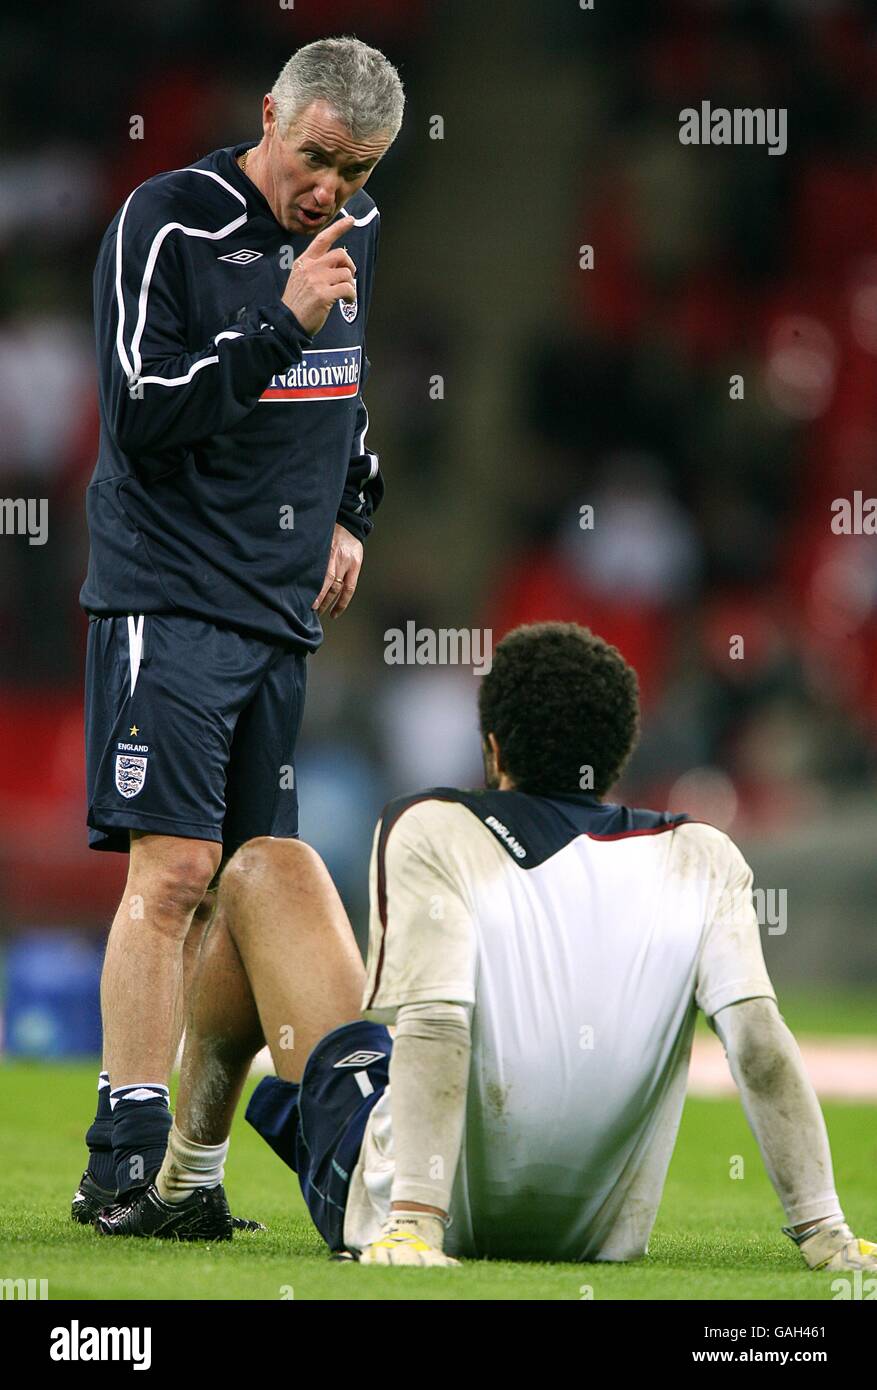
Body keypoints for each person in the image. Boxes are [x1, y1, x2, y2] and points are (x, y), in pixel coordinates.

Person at [97, 623, 877, 1272]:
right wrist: (824, 1231)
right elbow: (761, 1048)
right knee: (348, 1009)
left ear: (492, 747)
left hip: (411, 1203)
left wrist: (413, 1223)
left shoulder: (436, 826)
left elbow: (437, 1026)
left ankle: (184, 1184)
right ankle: (208, 1168)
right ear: (617, 754)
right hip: (597, 1239)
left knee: (263, 867)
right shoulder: (703, 853)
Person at [73, 36, 404, 1224]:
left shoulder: (353, 234)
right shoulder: (164, 222)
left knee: (249, 886)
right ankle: (120, 1155)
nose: (329, 190)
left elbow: (347, 384)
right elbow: (139, 413)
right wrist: (276, 317)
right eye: (316, 157)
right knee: (170, 875)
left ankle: (190, 1176)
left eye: (355, 172)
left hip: (278, 605)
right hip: (172, 591)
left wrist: (350, 510)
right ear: (270, 113)